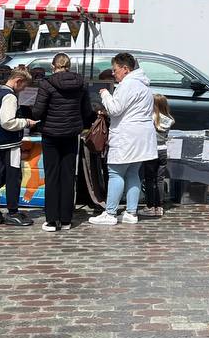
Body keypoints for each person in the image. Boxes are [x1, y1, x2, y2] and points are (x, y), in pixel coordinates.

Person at [32, 52, 95, 233]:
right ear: (69, 65)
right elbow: (87, 111)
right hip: (70, 134)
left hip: (50, 134)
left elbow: (37, 112)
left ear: (53, 66)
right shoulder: (81, 83)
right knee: (68, 176)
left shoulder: (47, 83)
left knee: (52, 176)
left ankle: (52, 220)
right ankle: (66, 219)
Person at [92, 52, 157, 226]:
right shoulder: (143, 86)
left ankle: (111, 213)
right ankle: (131, 212)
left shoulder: (128, 85)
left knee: (116, 173)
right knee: (133, 173)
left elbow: (115, 109)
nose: (113, 73)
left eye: (115, 70)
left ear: (125, 69)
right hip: (141, 135)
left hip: (127, 135)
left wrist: (105, 95)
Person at [0, 70, 36, 228]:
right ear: (18, 81)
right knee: (13, 178)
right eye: (23, 86)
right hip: (10, 144)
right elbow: (7, 122)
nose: (23, 90)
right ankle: (13, 212)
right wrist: (25, 122)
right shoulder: (10, 96)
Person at [143, 93, 176, 217]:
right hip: (163, 150)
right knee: (160, 179)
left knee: (149, 180)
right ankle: (159, 206)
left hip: (151, 151)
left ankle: (150, 206)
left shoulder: (150, 117)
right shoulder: (169, 119)